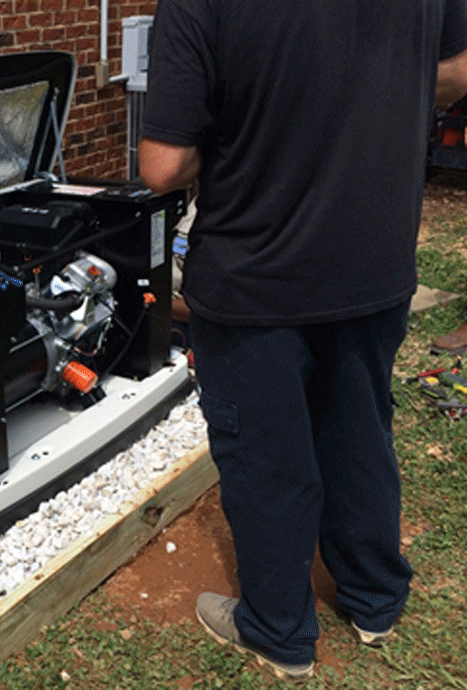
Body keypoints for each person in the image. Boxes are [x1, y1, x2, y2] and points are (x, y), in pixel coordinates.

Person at [138, 0, 467, 681]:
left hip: (259, 274)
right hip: (375, 258)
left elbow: (163, 167)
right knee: (358, 428)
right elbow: (456, 71)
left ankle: (278, 629)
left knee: (266, 455)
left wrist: (260, 128)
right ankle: (375, 599)